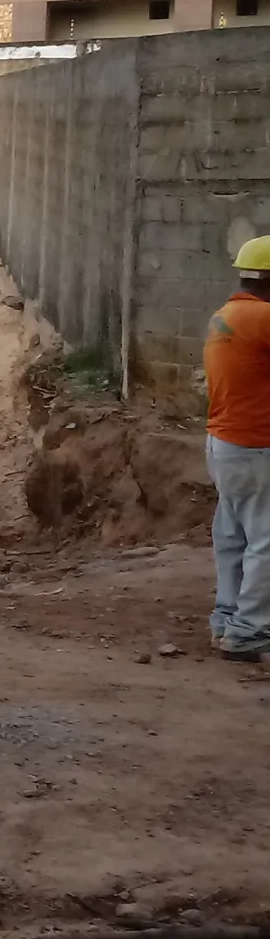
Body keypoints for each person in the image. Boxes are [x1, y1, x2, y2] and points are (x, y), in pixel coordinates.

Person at [206, 236, 270, 660]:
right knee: (265, 541)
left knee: (233, 538)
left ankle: (227, 619)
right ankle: (249, 631)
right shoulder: (264, 318)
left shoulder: (225, 316)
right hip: (256, 446)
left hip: (223, 443)